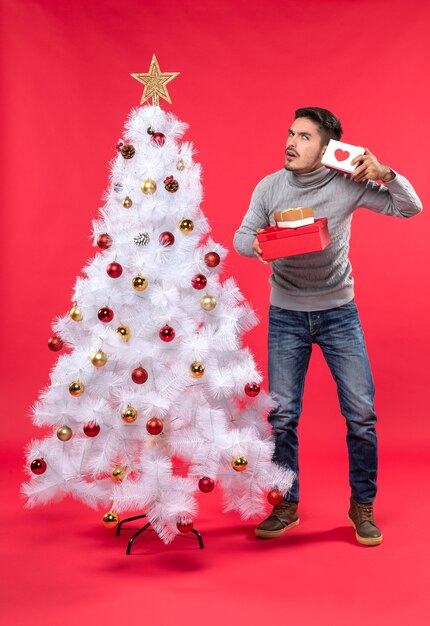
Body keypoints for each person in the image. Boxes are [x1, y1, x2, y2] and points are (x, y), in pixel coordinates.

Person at [233, 107, 422, 546]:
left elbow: (409, 207)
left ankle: (362, 505)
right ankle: (286, 503)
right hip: (287, 315)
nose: (291, 142)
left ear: (327, 148)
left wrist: (386, 172)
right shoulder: (270, 186)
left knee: (362, 415)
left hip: (339, 313)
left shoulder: (347, 184)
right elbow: (242, 236)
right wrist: (260, 245)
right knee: (282, 416)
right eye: (290, 133)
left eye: (304, 137)